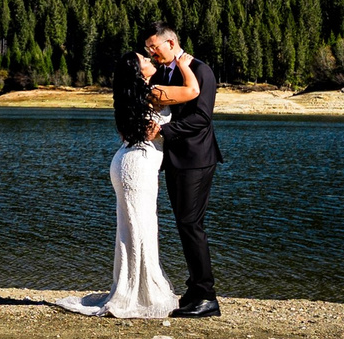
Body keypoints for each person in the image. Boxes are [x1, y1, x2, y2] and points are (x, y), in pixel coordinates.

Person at [55, 55, 179, 319]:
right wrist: (185, 65)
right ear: (138, 71)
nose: (149, 58)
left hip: (129, 163)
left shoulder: (134, 96)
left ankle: (135, 289)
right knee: (140, 228)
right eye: (144, 58)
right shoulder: (151, 94)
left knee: (135, 228)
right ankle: (140, 294)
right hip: (137, 167)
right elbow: (193, 91)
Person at [140, 25, 222, 317]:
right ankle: (194, 290)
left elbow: (201, 118)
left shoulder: (201, 71)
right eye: (148, 48)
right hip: (174, 159)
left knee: (191, 225)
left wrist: (164, 130)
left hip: (197, 159)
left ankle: (207, 297)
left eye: (154, 47)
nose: (151, 52)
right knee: (184, 224)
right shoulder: (163, 73)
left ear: (171, 42)